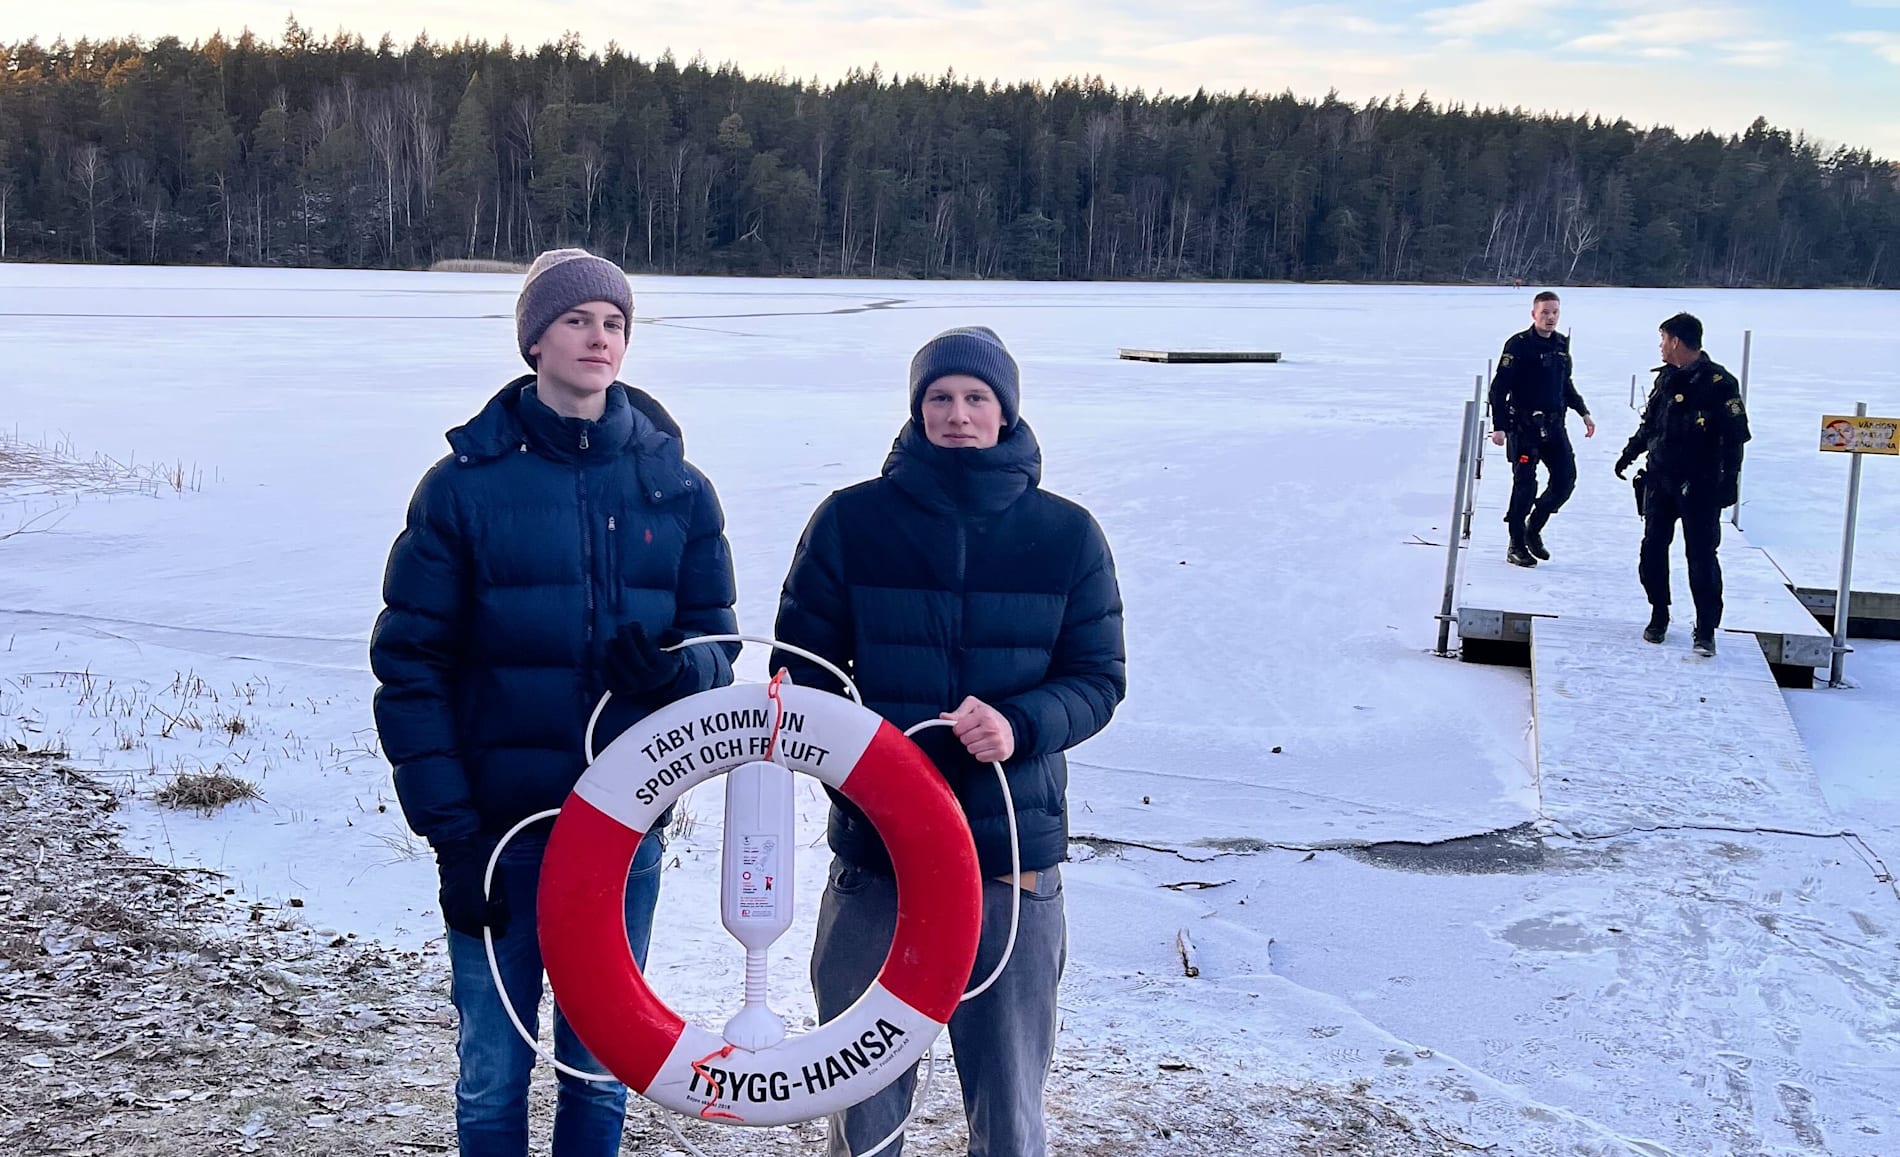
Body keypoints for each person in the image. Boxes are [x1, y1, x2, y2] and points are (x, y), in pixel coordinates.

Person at [370, 248, 739, 1156]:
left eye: (614, 323)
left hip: (622, 834)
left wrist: (674, 681)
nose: (599, 338)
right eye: (578, 320)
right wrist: (453, 836)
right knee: (493, 1070)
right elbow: (410, 665)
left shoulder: (677, 489)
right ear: (536, 339)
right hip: (499, 835)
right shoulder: (463, 488)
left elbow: (718, 650)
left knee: (600, 1063)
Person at [772, 326, 1126, 1157]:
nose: (958, 414)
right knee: (861, 1091)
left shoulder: (1069, 535)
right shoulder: (850, 522)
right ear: (916, 409)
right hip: (877, 860)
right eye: (940, 397)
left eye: (976, 398)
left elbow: (1097, 678)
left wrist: (1022, 722)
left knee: (1009, 1103)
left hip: (1011, 859)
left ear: (1005, 411)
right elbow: (801, 673)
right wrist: (871, 763)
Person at [1614, 312, 1750, 656]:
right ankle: (1659, 614)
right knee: (1652, 549)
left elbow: (1735, 438)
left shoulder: (1720, 383)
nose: (1660, 346)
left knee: (1701, 557)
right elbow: (1652, 424)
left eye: (1663, 339)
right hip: (1660, 478)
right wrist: (1629, 453)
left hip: (1700, 483)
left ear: (1676, 341)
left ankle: (1705, 629)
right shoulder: (1666, 380)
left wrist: (1730, 480)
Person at [1488, 291, 1596, 566]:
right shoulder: (1519, 344)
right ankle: (1516, 543)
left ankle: (1533, 528)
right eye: (1545, 312)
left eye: (1555, 312)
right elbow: (1499, 389)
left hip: (1554, 425)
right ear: (1534, 314)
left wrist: (1583, 411)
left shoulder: (1561, 345)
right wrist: (1499, 426)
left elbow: (1565, 385)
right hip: (1523, 427)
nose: (1550, 318)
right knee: (1525, 485)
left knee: (1565, 480)